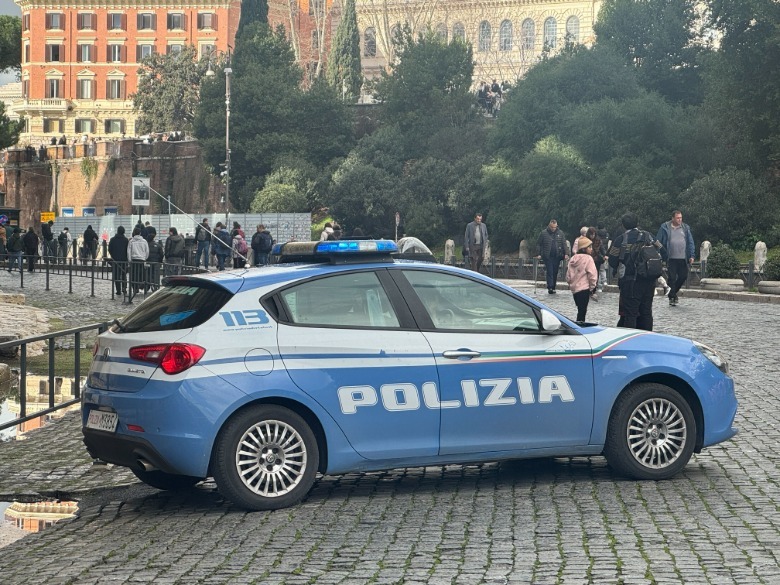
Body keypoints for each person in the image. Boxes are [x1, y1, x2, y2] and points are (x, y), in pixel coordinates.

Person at [608, 212, 662, 331]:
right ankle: (647, 336)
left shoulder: (620, 239)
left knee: (630, 313)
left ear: (623, 225)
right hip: (649, 280)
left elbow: (612, 260)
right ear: (638, 223)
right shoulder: (649, 236)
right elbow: (663, 251)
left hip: (630, 282)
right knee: (646, 312)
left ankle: (631, 340)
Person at [656, 210, 696, 307]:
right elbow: (657, 241)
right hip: (671, 257)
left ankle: (672, 292)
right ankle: (672, 297)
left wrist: (692, 255)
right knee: (672, 278)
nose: (680, 220)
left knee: (683, 276)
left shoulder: (685, 228)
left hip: (683, 257)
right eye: (678, 218)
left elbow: (690, 242)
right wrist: (659, 252)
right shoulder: (665, 227)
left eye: (681, 218)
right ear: (673, 218)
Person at [566, 236, 598, 322]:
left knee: (580, 309)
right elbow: (592, 275)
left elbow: (568, 275)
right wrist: (592, 287)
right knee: (582, 311)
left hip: (575, 289)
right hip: (584, 288)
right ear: (584, 248)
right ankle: (580, 325)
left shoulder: (573, 258)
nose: (591, 249)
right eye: (590, 247)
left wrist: (570, 284)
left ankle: (579, 323)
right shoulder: (588, 259)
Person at [536, 219, 568, 294]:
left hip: (557, 256)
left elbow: (564, 244)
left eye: (555, 227)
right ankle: (550, 287)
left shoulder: (560, 233)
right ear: (549, 226)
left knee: (555, 271)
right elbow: (539, 244)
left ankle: (553, 286)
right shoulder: (543, 233)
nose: (553, 229)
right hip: (547, 256)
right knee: (550, 271)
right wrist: (539, 254)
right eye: (552, 227)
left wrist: (566, 253)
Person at [127, 228, 149, 296]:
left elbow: (128, 252)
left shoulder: (131, 241)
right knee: (142, 275)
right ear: (140, 233)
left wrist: (129, 260)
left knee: (134, 275)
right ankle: (142, 286)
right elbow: (147, 251)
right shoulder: (144, 241)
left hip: (134, 260)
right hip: (142, 260)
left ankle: (135, 288)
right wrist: (145, 258)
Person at [107, 226, 129, 296]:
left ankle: (118, 290)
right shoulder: (126, 240)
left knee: (116, 275)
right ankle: (124, 288)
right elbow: (128, 250)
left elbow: (109, 249)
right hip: (124, 260)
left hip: (115, 260)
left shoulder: (113, 239)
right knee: (123, 274)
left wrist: (113, 256)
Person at [145, 227, 163, 291]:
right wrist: (160, 261)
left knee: (147, 274)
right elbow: (161, 254)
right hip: (156, 263)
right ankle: (155, 286)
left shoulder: (146, 245)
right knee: (155, 275)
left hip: (148, 262)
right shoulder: (158, 245)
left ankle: (147, 286)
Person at [596, 224, 610, 292]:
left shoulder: (597, 235)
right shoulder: (607, 234)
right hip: (605, 252)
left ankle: (599, 285)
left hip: (598, 254)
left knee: (597, 270)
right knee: (603, 269)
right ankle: (605, 281)